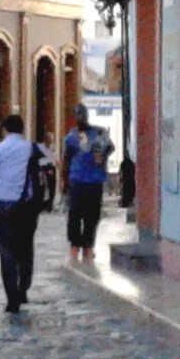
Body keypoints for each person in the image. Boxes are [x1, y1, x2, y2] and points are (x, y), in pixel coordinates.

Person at [0, 111, 48, 315]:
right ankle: (24, 286)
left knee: (6, 251)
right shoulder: (34, 148)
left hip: (4, 206)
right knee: (25, 247)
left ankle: (12, 297)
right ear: (23, 129)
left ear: (4, 130)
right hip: (27, 206)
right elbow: (50, 167)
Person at [60, 106, 111, 263]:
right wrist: (64, 180)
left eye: (82, 115)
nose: (80, 118)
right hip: (77, 180)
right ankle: (75, 245)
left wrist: (102, 156)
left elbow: (109, 148)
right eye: (77, 115)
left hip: (95, 181)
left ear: (87, 116)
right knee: (75, 214)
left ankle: (88, 245)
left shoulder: (99, 133)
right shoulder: (72, 137)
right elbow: (66, 160)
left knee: (92, 215)